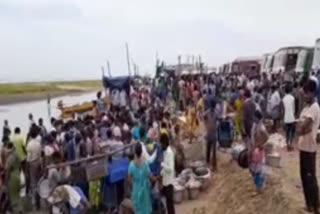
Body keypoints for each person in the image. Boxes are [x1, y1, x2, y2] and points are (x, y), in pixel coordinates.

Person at [297, 79, 320, 214]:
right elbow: (301, 126)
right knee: (304, 177)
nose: (305, 96)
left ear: (312, 93)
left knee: (311, 178)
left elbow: (306, 126)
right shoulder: (306, 108)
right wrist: (301, 128)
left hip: (310, 148)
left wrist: (301, 128)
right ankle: (309, 204)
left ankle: (316, 206)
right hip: (302, 147)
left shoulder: (315, 108)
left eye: (306, 94)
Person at [128, 143, 153, 214]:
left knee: (138, 210)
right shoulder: (145, 164)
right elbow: (150, 176)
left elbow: (129, 179)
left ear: (134, 152)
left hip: (136, 190)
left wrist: (134, 184)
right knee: (145, 209)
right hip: (144, 190)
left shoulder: (131, 165)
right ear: (141, 152)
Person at [250, 110, 268, 193]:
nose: (253, 118)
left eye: (254, 116)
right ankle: (258, 185)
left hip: (258, 150)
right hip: (254, 149)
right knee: (253, 169)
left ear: (257, 118)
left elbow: (266, 137)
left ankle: (258, 188)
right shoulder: (255, 125)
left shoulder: (261, 127)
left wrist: (261, 145)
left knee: (257, 170)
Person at [26, 128, 42, 210]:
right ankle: (39, 199)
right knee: (39, 182)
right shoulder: (38, 143)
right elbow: (40, 155)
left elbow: (28, 159)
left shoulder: (29, 144)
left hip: (32, 164)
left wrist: (27, 170)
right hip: (38, 163)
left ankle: (35, 202)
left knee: (33, 183)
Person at [160, 133, 175, 214]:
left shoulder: (169, 153)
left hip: (169, 182)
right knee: (168, 204)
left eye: (161, 144)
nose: (161, 146)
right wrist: (161, 172)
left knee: (170, 205)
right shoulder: (165, 152)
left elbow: (170, 168)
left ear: (164, 142)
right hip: (166, 181)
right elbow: (166, 167)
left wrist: (162, 164)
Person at [204, 99, 217, 171]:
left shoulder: (216, 113)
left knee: (214, 150)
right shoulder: (207, 112)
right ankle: (207, 162)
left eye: (213, 106)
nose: (213, 107)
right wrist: (206, 124)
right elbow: (204, 117)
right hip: (209, 133)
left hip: (214, 133)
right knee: (208, 149)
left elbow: (218, 119)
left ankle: (214, 165)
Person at [281, 85, 296, 151]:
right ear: (290, 90)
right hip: (292, 117)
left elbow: (283, 110)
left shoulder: (283, 99)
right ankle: (291, 143)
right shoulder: (292, 98)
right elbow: (293, 109)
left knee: (287, 132)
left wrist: (282, 118)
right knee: (292, 132)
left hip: (286, 117)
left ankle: (287, 144)